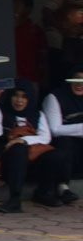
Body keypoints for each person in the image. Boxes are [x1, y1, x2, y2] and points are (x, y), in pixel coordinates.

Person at [0, 80, 69, 213]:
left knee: (57, 155)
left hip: (32, 162)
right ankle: (15, 199)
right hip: (8, 164)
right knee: (18, 151)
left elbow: (45, 138)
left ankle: (44, 192)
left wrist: (22, 140)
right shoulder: (1, 112)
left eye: (24, 97)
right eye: (16, 95)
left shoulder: (37, 115)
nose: (19, 100)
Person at [41, 67, 83, 204]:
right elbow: (55, 129)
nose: (79, 84)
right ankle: (62, 187)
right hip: (61, 147)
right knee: (65, 142)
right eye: (76, 80)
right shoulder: (55, 97)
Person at [14, 0, 48, 93]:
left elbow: (44, 57)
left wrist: (45, 79)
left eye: (17, 5)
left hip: (31, 78)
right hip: (9, 78)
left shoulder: (35, 30)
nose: (13, 8)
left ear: (28, 9)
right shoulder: (6, 29)